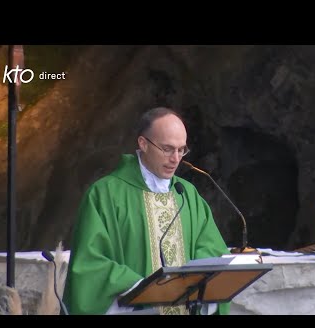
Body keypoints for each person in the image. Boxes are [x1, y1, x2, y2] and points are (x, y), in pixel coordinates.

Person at [63, 107, 231, 315]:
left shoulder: (187, 194)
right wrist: (143, 288)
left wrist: (196, 279)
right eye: (167, 149)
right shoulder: (106, 194)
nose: (176, 158)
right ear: (143, 144)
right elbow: (91, 265)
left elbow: (212, 250)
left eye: (181, 150)